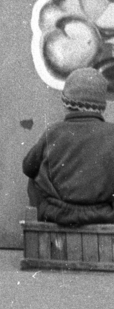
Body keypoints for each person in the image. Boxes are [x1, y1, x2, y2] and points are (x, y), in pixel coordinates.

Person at [23, 68, 114, 226]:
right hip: (104, 216)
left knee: (34, 176)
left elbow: (27, 167)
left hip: (57, 215)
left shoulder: (53, 132)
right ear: (102, 107)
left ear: (65, 104)